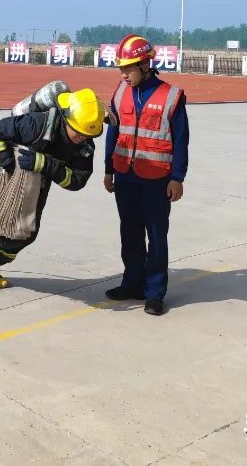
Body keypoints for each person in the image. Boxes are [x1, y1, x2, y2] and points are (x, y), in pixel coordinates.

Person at [0, 88, 102, 286]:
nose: (81, 138)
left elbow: (77, 181)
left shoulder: (84, 146)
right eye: (78, 132)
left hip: (39, 185)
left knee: (27, 235)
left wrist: (46, 165)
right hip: (12, 180)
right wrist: (9, 165)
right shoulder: (36, 124)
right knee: (8, 229)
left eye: (86, 135)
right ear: (66, 119)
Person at [102, 34, 189, 316]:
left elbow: (181, 140)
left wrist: (177, 177)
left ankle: (154, 293)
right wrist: (108, 169)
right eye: (121, 69)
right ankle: (131, 284)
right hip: (125, 175)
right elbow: (113, 133)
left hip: (157, 179)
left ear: (145, 65)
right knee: (129, 232)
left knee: (156, 235)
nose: (124, 75)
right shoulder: (120, 92)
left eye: (128, 69)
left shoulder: (171, 96)